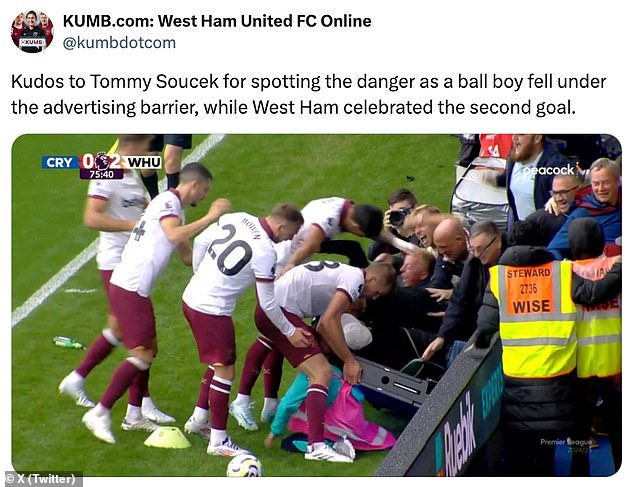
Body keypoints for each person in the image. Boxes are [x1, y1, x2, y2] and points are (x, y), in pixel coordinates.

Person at [81, 162, 230, 444]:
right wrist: (211, 217)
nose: (205, 197)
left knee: (150, 349)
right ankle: (100, 412)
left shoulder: (173, 208)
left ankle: (134, 415)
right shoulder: (169, 203)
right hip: (131, 287)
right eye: (205, 191)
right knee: (141, 355)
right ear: (194, 185)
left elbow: (187, 257)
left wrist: (219, 248)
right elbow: (174, 235)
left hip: (133, 286)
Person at [473, 243, 622, 476]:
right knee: (548, 448)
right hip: (557, 379)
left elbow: (485, 326)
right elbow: (594, 293)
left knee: (523, 453)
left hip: (518, 383)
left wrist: (481, 342)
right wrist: (619, 268)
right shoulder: (559, 274)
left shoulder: (499, 280)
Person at [181, 204, 311, 456]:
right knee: (225, 370)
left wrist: (199, 273)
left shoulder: (237, 216)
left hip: (191, 298)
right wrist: (289, 331)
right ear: (281, 226)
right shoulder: (265, 252)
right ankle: (219, 440)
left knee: (217, 363)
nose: (290, 239)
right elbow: (267, 303)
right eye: (291, 233)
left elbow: (199, 241)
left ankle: (198, 419)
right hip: (212, 310)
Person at [58, 135, 172, 423]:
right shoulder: (104, 169)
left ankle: (79, 379)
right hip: (117, 265)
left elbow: (140, 207)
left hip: (132, 264)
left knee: (121, 331)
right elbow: (91, 218)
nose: (153, 154)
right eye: (150, 147)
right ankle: (136, 411)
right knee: (144, 343)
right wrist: (134, 225)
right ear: (138, 144)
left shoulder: (133, 170)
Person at [248, 260, 396, 462]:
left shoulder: (347, 274)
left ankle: (305, 434)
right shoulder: (356, 281)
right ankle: (316, 445)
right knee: (322, 373)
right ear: (372, 278)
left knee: (318, 371)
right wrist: (349, 360)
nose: (374, 297)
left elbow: (323, 326)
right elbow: (328, 321)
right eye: (377, 291)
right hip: (280, 311)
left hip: (276, 308)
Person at [266, 320, 396, 453]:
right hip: (353, 420)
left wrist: (275, 431)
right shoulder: (336, 369)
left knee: (288, 443)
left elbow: (288, 404)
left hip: (341, 424)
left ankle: (331, 444)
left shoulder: (312, 374)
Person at [567, 218, 621, 475]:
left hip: (579, 365)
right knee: (620, 427)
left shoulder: (562, 274)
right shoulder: (618, 266)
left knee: (579, 429)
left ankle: (579, 474)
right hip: (617, 364)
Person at [422, 221, 507, 367]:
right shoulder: (474, 262)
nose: (478, 255)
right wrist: (442, 336)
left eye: (481, 249)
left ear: (497, 242)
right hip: (484, 326)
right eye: (474, 250)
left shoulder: (512, 262)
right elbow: (460, 300)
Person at [277, 197, 396, 275]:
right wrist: (289, 266)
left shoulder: (347, 209)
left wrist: (407, 248)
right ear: (355, 227)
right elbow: (310, 245)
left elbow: (376, 234)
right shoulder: (330, 218)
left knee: (353, 249)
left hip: (308, 244)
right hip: (285, 258)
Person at [488, 134, 573, 226]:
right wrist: (493, 179)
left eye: (521, 134)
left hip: (547, 231)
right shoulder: (513, 158)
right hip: (521, 227)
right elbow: (509, 180)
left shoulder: (556, 163)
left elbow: (577, 177)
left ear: (537, 138)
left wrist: (559, 197)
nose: (514, 138)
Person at [548, 158, 621, 259]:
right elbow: (553, 249)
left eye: (605, 183)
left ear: (617, 181)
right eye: (596, 184)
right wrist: (571, 268)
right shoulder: (582, 214)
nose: (600, 189)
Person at [522, 173, 582, 246]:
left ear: (579, 189)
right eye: (554, 193)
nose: (558, 198)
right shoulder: (541, 218)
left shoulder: (590, 210)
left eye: (563, 192)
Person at [367, 189, 420, 261]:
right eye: (394, 213)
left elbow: (421, 256)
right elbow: (372, 255)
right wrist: (385, 232)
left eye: (402, 211)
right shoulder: (398, 229)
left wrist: (408, 234)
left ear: (415, 208)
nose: (399, 216)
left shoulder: (427, 227)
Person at [427, 217, 470, 289]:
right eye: (438, 248)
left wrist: (454, 294)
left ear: (459, 240)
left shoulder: (480, 249)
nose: (441, 252)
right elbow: (438, 280)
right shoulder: (445, 248)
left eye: (443, 247)